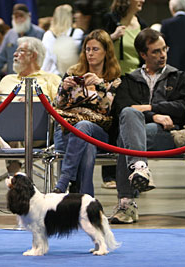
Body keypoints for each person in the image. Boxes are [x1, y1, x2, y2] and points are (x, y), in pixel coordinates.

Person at [109, 28, 185, 224]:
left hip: (168, 136)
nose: (162, 55)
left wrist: (148, 108)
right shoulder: (129, 80)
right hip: (139, 134)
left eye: (164, 49)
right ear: (143, 54)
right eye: (156, 51)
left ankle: (126, 203)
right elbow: (122, 109)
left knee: (126, 137)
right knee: (127, 125)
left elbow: (183, 108)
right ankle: (140, 167)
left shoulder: (179, 77)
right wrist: (154, 115)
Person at [52, 29, 121, 197]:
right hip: (70, 131)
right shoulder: (73, 72)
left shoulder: (114, 78)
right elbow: (57, 106)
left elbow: (109, 110)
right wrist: (63, 89)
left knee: (84, 127)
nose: (90, 54)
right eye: (87, 49)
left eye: (95, 49)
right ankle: (86, 200)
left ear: (106, 51)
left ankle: (65, 179)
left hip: (101, 133)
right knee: (86, 144)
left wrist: (100, 86)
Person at [0, 36, 60, 175]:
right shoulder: (6, 80)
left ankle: (16, 180)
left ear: (33, 55)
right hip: (9, 132)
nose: (14, 55)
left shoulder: (51, 79)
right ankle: (16, 178)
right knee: (12, 126)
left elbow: (59, 106)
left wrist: (35, 104)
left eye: (20, 51)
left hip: (39, 132)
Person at [0, 3, 45, 87]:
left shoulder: (39, 34)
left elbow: (44, 58)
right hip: (14, 81)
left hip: (34, 81)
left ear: (28, 16)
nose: (18, 19)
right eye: (16, 16)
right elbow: (0, 56)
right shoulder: (10, 34)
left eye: (21, 16)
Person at [104, 0, 148, 76]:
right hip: (111, 79)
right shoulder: (109, 19)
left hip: (135, 79)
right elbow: (96, 43)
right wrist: (112, 37)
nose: (143, 1)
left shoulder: (142, 25)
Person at [41, 4, 83, 76]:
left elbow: (46, 60)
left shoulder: (48, 35)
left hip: (53, 76)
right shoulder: (78, 33)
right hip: (74, 75)